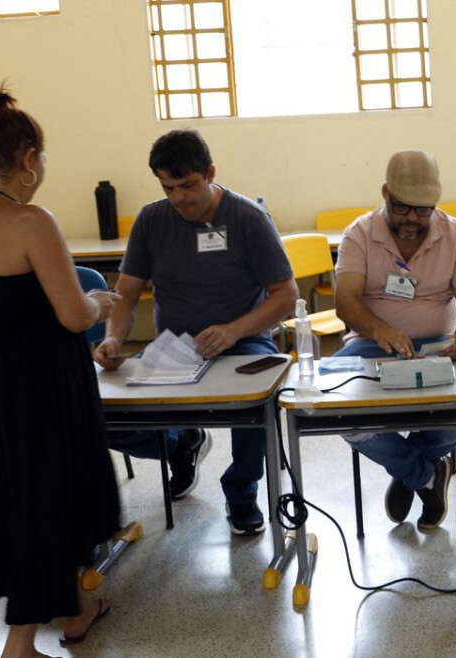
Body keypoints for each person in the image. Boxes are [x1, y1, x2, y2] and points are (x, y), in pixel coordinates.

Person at [0, 85, 121, 656]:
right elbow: (71, 312)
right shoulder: (31, 219)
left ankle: (77, 606)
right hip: (47, 387)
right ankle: (20, 645)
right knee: (51, 500)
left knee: (17, 497)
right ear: (29, 159)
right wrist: (100, 306)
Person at [92, 129, 296, 535]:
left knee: (255, 404)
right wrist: (114, 338)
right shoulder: (152, 219)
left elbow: (285, 296)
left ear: (210, 174)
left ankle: (241, 493)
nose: (179, 197)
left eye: (188, 186)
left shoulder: (247, 218)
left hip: (243, 340)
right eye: (169, 187)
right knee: (98, 411)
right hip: (174, 348)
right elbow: (127, 295)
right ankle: (180, 445)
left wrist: (234, 330)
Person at [333, 149, 456, 531]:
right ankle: (426, 474)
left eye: (423, 210)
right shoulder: (359, 234)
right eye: (402, 209)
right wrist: (379, 329)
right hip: (370, 344)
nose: (412, 220)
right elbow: (345, 303)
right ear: (385, 193)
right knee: (340, 413)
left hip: (437, 347)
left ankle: (407, 473)